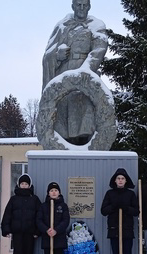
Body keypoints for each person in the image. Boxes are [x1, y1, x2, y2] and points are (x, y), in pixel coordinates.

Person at [42, 0, 108, 145]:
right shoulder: (62, 25)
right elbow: (47, 55)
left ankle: (84, 141)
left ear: (89, 6)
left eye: (85, 5)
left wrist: (85, 71)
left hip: (85, 71)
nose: (82, 8)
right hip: (64, 72)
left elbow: (99, 50)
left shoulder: (97, 26)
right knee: (64, 113)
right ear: (72, 6)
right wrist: (56, 56)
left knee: (84, 110)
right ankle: (64, 141)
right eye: (79, 4)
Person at [1, 174, 41, 254]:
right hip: (17, 233)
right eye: (22, 184)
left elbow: (39, 216)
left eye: (26, 184)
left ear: (29, 185)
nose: (24, 186)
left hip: (30, 233)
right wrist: (6, 229)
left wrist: (37, 231)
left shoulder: (34, 199)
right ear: (19, 185)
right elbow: (7, 215)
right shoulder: (13, 199)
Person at [100, 168, 139, 254]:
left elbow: (136, 211)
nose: (120, 180)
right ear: (115, 181)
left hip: (127, 230)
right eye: (118, 178)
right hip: (114, 229)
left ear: (126, 181)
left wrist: (126, 208)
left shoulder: (130, 194)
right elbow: (103, 210)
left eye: (122, 178)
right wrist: (114, 206)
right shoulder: (110, 193)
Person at [36, 182, 70, 254]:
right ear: (48, 193)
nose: (54, 192)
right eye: (51, 191)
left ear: (59, 192)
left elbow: (65, 220)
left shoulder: (63, 206)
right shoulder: (43, 206)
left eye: (56, 190)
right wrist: (47, 230)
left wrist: (56, 230)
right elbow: (39, 220)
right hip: (47, 237)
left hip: (59, 238)